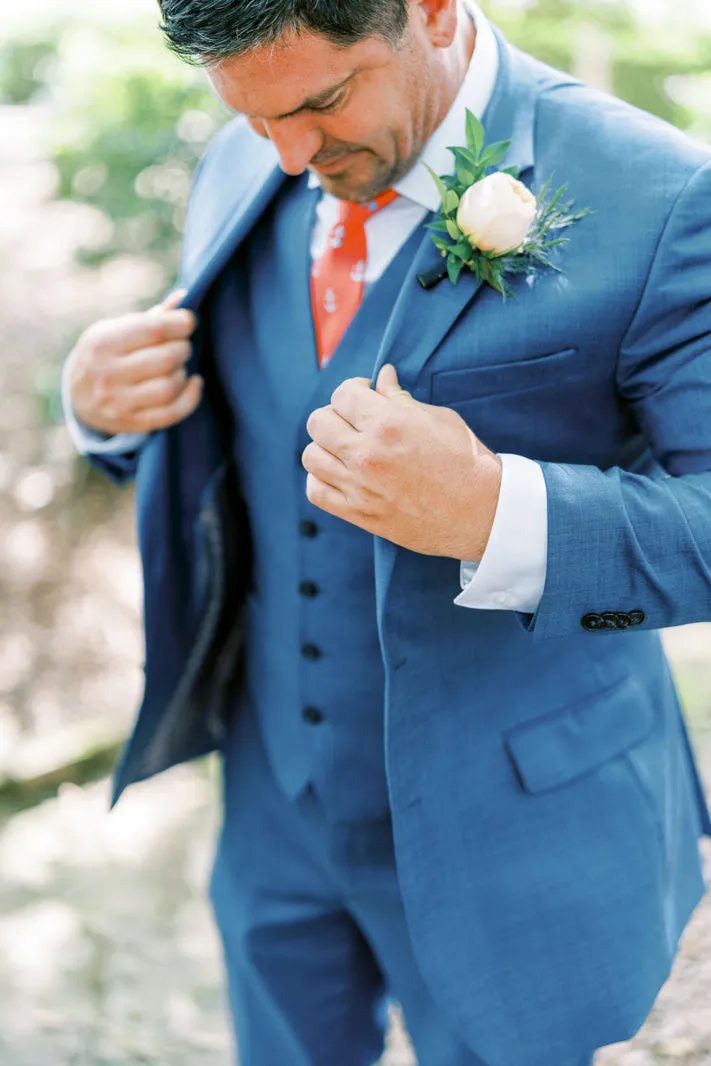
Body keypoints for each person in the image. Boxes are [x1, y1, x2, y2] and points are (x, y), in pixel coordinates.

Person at [62, 1, 711, 1064]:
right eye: (252, 114)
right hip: (275, 793)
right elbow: (236, 407)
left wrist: (494, 511)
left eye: (324, 100)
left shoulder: (663, 196)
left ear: (434, 10)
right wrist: (97, 407)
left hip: (510, 821)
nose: (287, 153)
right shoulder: (252, 150)